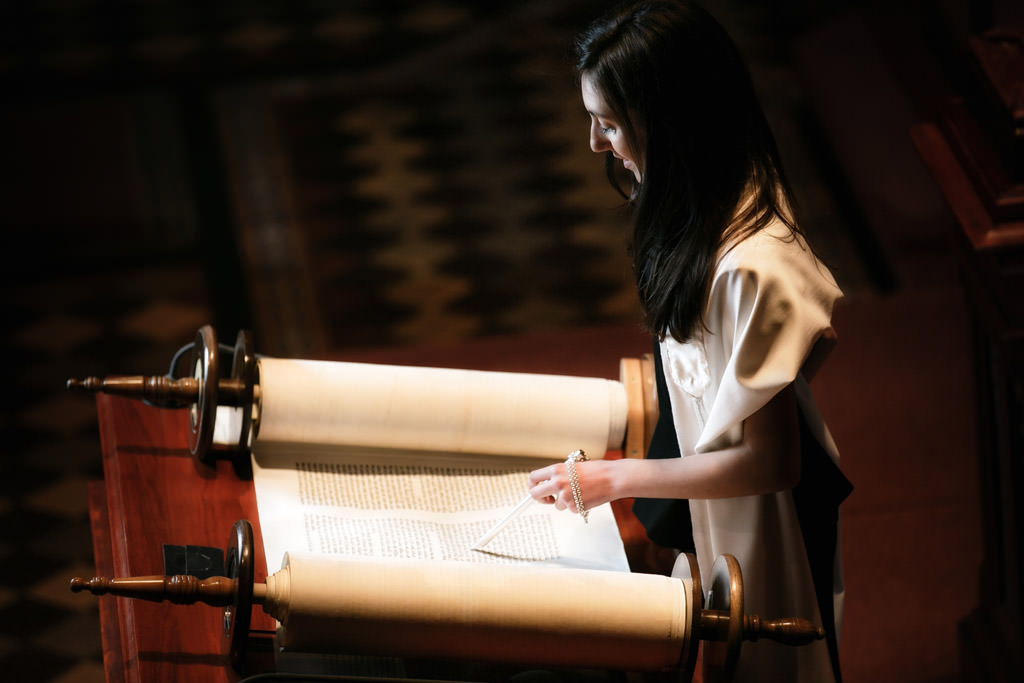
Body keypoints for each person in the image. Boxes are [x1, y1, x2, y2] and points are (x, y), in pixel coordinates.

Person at [527, 2, 853, 681]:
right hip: (704, 479)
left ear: (672, 122)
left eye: (610, 123)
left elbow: (773, 464)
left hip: (760, 517)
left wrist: (612, 477)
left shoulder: (747, 263)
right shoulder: (701, 193)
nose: (594, 143)